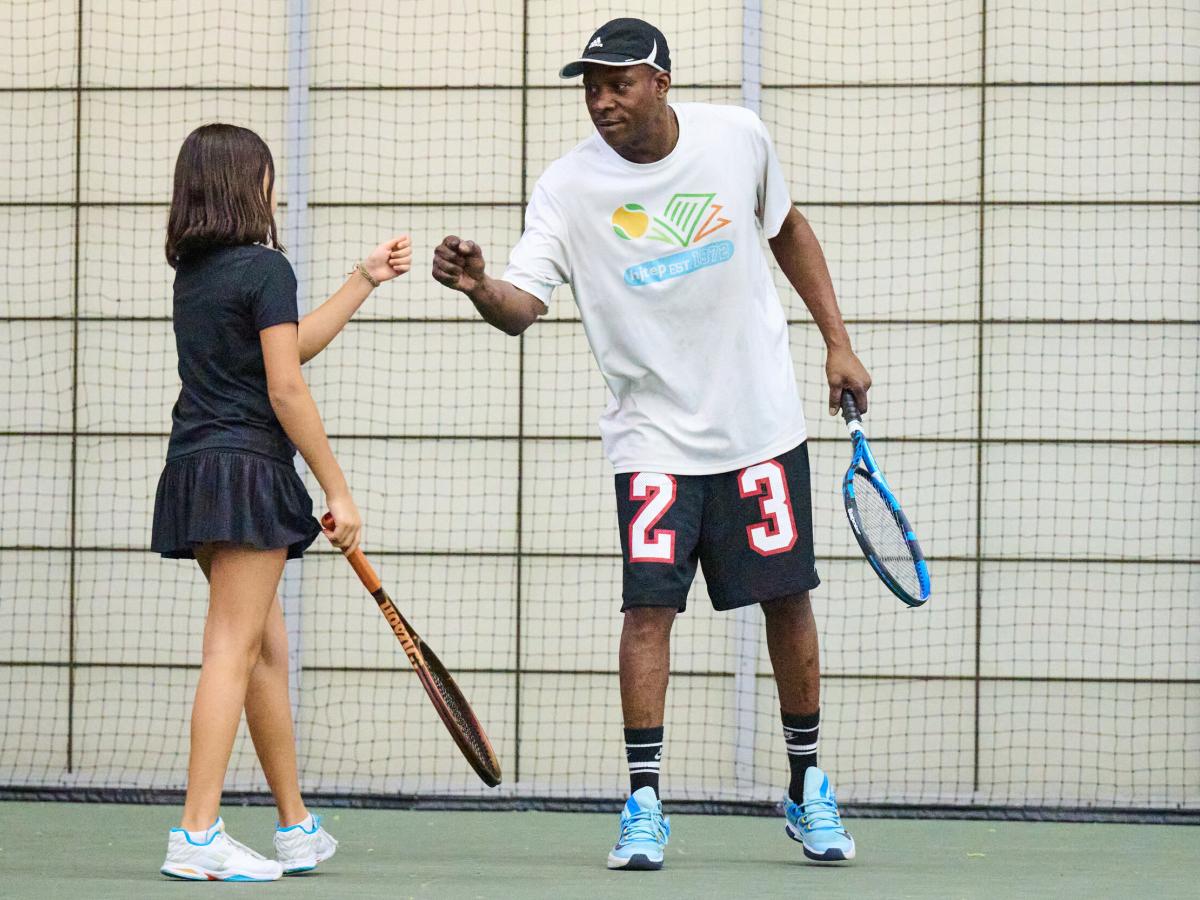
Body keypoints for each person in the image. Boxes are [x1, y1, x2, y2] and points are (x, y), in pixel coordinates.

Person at [434, 17, 873, 870]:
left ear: (660, 82)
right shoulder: (566, 186)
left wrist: (838, 341)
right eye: (590, 86)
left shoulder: (737, 137)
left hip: (761, 429)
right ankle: (642, 804)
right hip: (653, 445)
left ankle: (807, 786)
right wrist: (481, 284)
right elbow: (523, 307)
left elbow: (787, 229)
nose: (601, 101)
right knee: (647, 613)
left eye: (618, 83)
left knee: (787, 601)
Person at [152, 123, 411, 881]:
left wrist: (361, 280)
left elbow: (288, 346)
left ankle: (295, 826)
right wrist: (336, 486)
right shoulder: (265, 268)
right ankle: (196, 836)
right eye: (268, 176)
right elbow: (285, 386)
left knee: (266, 651)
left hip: (197, 471)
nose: (277, 189)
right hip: (247, 474)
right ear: (244, 185)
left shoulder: (196, 273)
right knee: (232, 650)